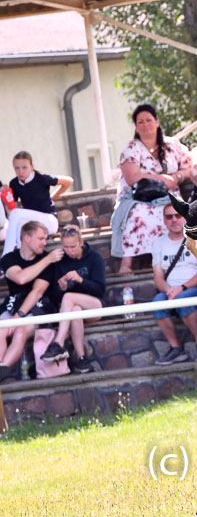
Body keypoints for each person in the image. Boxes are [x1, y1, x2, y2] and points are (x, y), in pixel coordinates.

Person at [111, 103, 192, 274]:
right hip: (138, 196)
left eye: (149, 120)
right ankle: (126, 264)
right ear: (136, 126)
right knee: (139, 214)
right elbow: (132, 178)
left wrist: (176, 177)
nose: (145, 125)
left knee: (175, 212)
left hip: (168, 195)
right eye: (140, 122)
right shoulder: (132, 148)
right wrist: (161, 179)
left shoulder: (171, 145)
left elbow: (189, 167)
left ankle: (181, 258)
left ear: (157, 121)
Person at [151, 202, 197, 364]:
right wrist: (169, 290)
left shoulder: (196, 238)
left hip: (194, 287)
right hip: (171, 290)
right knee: (157, 303)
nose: (174, 220)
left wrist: (182, 288)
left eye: (177, 216)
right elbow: (158, 276)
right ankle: (176, 348)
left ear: (184, 218)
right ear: (164, 220)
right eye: (169, 216)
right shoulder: (159, 243)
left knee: (183, 300)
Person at [0, 221, 63, 382]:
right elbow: (20, 278)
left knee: (20, 331)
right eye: (41, 238)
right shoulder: (9, 258)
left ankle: (3, 369)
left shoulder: (47, 260)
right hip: (14, 304)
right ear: (27, 238)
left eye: (46, 239)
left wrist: (18, 316)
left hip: (39, 307)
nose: (45, 242)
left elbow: (37, 292)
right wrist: (47, 259)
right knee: (0, 330)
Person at [40, 225, 106, 373]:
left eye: (73, 247)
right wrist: (61, 287)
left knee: (69, 298)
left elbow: (100, 290)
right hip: (72, 310)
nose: (69, 251)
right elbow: (55, 296)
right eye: (66, 247)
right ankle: (82, 359)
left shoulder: (95, 258)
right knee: (74, 309)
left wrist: (80, 280)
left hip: (94, 306)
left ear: (81, 242)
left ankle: (58, 343)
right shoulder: (61, 262)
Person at [2, 151, 73, 256]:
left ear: (32, 167)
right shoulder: (14, 183)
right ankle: (21, 259)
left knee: (17, 215)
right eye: (17, 168)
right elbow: (12, 211)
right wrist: (6, 195)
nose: (20, 171)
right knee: (19, 223)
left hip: (49, 221)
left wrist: (53, 197)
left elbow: (68, 181)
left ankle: (5, 258)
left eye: (24, 167)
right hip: (32, 225)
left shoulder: (41, 178)